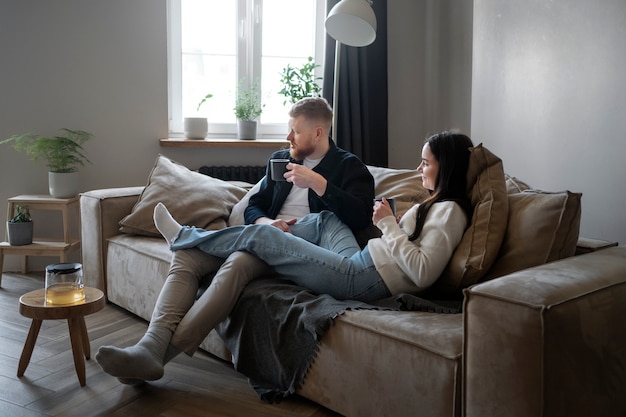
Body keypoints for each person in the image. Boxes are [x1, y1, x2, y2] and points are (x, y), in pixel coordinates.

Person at [96, 97, 376, 383]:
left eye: (295, 131)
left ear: (318, 133)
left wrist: (317, 182)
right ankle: (149, 346)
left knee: (237, 263)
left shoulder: (349, 167)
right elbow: (255, 204)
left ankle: (155, 354)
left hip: (303, 250)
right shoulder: (281, 159)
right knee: (187, 256)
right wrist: (267, 222)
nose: (288, 136)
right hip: (266, 235)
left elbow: (360, 217)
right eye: (288, 129)